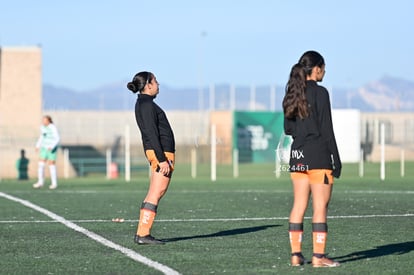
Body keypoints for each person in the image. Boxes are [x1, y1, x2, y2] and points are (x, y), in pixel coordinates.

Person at [282, 51, 342, 267]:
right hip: (318, 156)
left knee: (299, 205)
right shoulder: (321, 93)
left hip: (297, 156)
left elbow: (288, 128)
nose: (325, 72)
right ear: (316, 68)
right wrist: (336, 158)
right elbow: (327, 129)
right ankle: (319, 257)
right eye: (324, 68)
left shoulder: (293, 91)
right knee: (319, 207)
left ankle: (296, 255)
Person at [127, 71, 175, 245]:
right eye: (155, 81)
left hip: (159, 152)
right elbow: (152, 134)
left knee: (155, 192)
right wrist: (162, 159)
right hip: (160, 154)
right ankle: (143, 234)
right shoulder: (146, 104)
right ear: (148, 85)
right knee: (157, 192)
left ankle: (142, 232)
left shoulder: (145, 103)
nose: (158, 84)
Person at [33, 115, 60, 190]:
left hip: (51, 148)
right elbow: (42, 137)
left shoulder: (52, 127)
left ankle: (54, 183)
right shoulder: (42, 127)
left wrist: (52, 146)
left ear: (49, 121)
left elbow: (57, 138)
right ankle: (40, 182)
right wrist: (37, 145)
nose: (43, 121)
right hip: (44, 148)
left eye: (45, 120)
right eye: (43, 120)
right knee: (41, 164)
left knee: (51, 165)